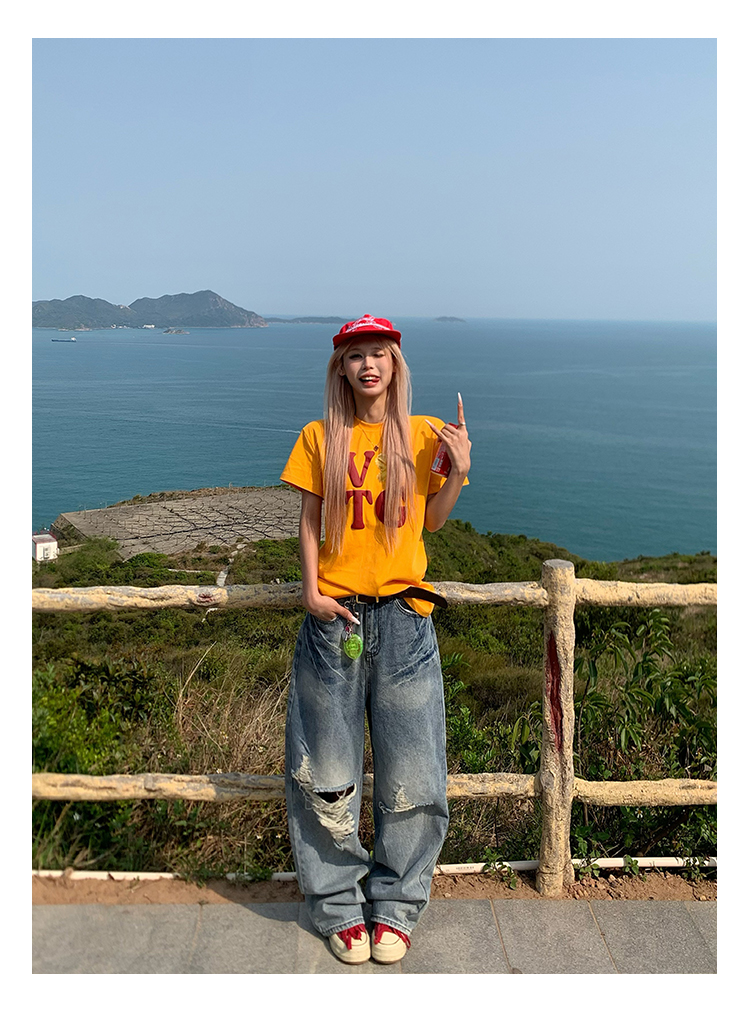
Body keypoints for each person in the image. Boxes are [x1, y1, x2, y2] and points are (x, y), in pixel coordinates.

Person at [280, 314, 471, 964]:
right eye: (356, 354)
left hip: (405, 620)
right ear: (341, 367)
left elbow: (433, 521)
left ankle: (396, 906)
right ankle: (338, 905)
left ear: (395, 364)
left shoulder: (422, 434)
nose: (368, 364)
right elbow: (309, 521)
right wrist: (311, 592)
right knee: (327, 773)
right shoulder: (319, 437)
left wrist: (458, 471)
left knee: (414, 769)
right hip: (335, 622)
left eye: (378, 354)